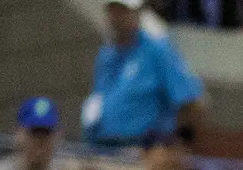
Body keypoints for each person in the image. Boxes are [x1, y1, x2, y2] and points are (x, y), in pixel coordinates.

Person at [83, 0, 205, 146]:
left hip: (142, 148)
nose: (116, 18)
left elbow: (191, 102)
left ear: (138, 14)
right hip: (103, 145)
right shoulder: (106, 54)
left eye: (123, 12)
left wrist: (175, 145)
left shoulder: (158, 50)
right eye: (112, 11)